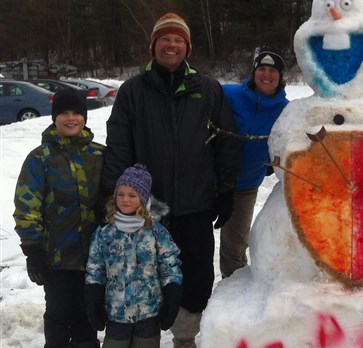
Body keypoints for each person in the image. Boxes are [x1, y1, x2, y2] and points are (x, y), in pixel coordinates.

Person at [102, 12, 241, 347]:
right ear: (154, 45)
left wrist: (226, 189)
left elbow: (226, 140)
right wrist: (114, 198)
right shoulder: (133, 92)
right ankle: (145, 337)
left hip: (196, 204)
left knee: (195, 277)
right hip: (149, 209)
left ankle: (185, 337)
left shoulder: (207, 89)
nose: (172, 45)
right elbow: (118, 146)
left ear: (187, 48)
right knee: (146, 274)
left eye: (179, 40)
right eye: (166, 38)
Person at [13, 88, 105, 348]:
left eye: (77, 112)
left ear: (85, 117)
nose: (71, 118)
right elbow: (26, 206)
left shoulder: (100, 155)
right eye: (64, 113)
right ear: (54, 117)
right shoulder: (40, 159)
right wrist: (33, 251)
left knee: (88, 314)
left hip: (94, 257)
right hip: (56, 258)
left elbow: (115, 199)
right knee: (58, 313)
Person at [85, 164, 183, 347]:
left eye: (132, 195)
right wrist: (93, 299)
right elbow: (95, 269)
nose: (125, 200)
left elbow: (170, 266)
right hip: (115, 314)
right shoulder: (104, 233)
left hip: (149, 313)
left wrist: (173, 296)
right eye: (120, 194)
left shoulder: (156, 232)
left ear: (143, 198)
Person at [219, 46, 289, 278]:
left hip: (245, 187)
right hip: (209, 179)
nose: (266, 75)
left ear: (280, 77)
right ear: (254, 72)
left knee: (235, 247)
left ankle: (231, 293)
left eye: (272, 71)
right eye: (262, 69)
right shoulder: (228, 94)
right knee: (194, 237)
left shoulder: (286, 111)